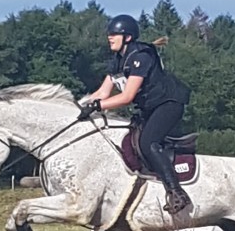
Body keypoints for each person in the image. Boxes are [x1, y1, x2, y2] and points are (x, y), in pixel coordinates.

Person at [80, 13, 191, 215]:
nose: (109, 37)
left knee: (148, 142)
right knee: (131, 139)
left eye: (114, 34)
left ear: (128, 37)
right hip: (150, 107)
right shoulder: (117, 60)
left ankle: (177, 192)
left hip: (169, 103)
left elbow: (127, 96)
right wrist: (80, 105)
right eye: (109, 34)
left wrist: (97, 106)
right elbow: (102, 93)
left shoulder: (141, 57)